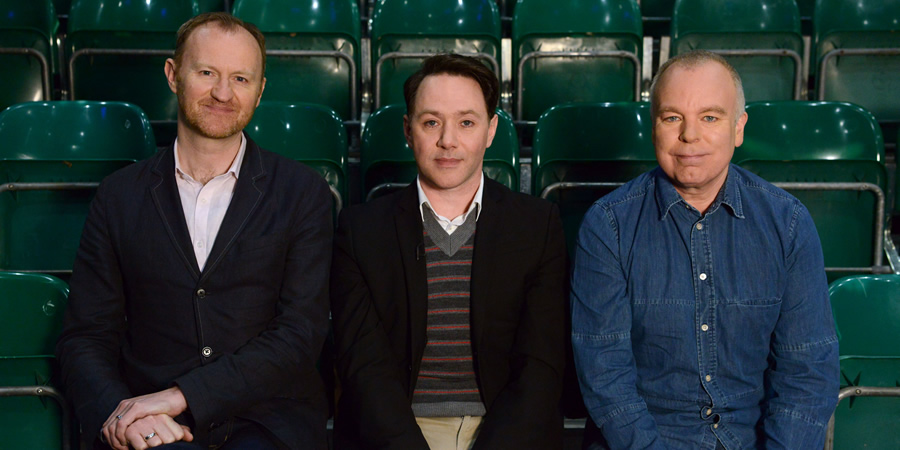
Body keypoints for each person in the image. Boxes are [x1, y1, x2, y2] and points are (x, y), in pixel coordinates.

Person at [56, 12, 332, 450]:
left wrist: (182, 396)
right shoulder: (118, 196)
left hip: (267, 425)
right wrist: (123, 416)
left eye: (240, 79)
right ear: (173, 75)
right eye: (207, 73)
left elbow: (299, 334)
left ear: (260, 91)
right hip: (151, 429)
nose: (223, 93)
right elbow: (85, 337)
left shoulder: (303, 193)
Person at [571, 50, 840, 449]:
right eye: (672, 117)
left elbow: (807, 372)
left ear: (738, 128)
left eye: (710, 117)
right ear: (653, 127)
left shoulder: (790, 223)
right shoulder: (607, 225)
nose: (689, 136)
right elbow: (605, 376)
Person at [330, 54, 567, 449]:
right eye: (431, 122)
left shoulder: (537, 225)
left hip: (504, 431)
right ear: (408, 130)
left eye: (467, 122)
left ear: (491, 130)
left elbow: (540, 365)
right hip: (400, 431)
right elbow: (364, 369)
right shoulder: (360, 230)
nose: (448, 141)